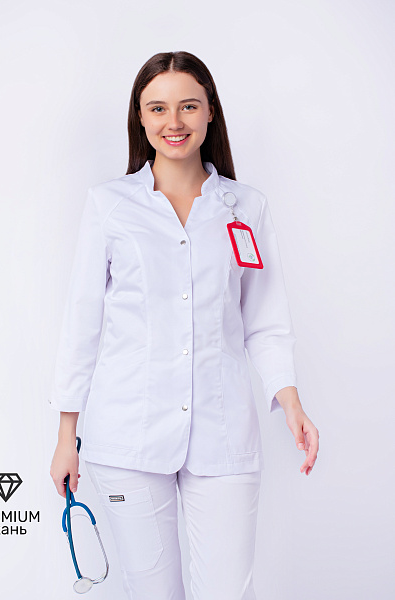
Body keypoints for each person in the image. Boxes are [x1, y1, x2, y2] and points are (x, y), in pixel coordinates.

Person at [49, 50, 319, 600]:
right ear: (140, 117)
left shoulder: (245, 207)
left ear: (210, 111)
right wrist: (65, 438)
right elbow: (82, 325)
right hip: (127, 435)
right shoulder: (109, 206)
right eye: (158, 108)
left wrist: (290, 402)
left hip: (223, 434)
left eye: (188, 106)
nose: (174, 122)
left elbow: (265, 320)